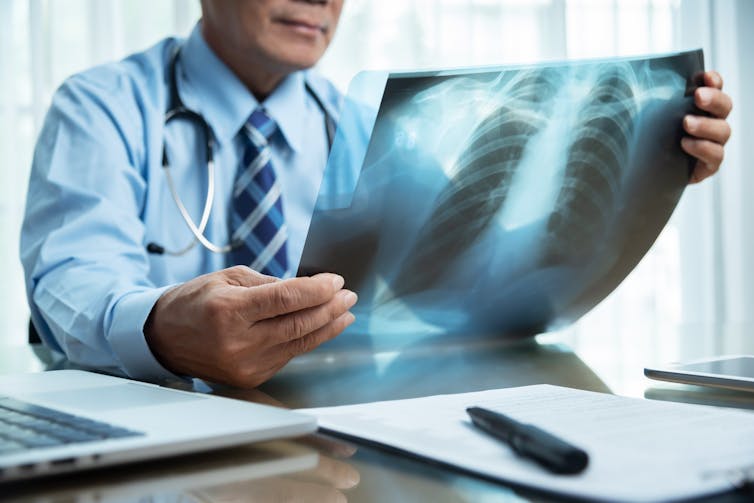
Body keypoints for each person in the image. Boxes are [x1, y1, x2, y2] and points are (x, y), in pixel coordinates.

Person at [20, 0, 733, 389]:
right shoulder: (103, 106)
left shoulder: (362, 124)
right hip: (159, 439)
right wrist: (160, 328)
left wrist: (649, 167)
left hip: (326, 434)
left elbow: (477, 277)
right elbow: (70, 277)